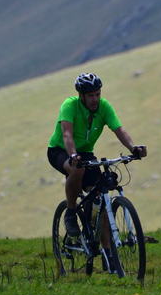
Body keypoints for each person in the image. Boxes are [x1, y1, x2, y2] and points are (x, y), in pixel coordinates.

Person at [47, 72, 147, 238]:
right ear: (81, 96)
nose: (95, 99)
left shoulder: (104, 107)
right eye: (90, 95)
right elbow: (67, 135)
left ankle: (107, 253)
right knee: (77, 170)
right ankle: (71, 213)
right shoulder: (70, 105)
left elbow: (119, 130)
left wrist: (133, 148)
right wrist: (72, 155)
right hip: (60, 150)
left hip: (85, 153)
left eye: (97, 94)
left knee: (100, 197)